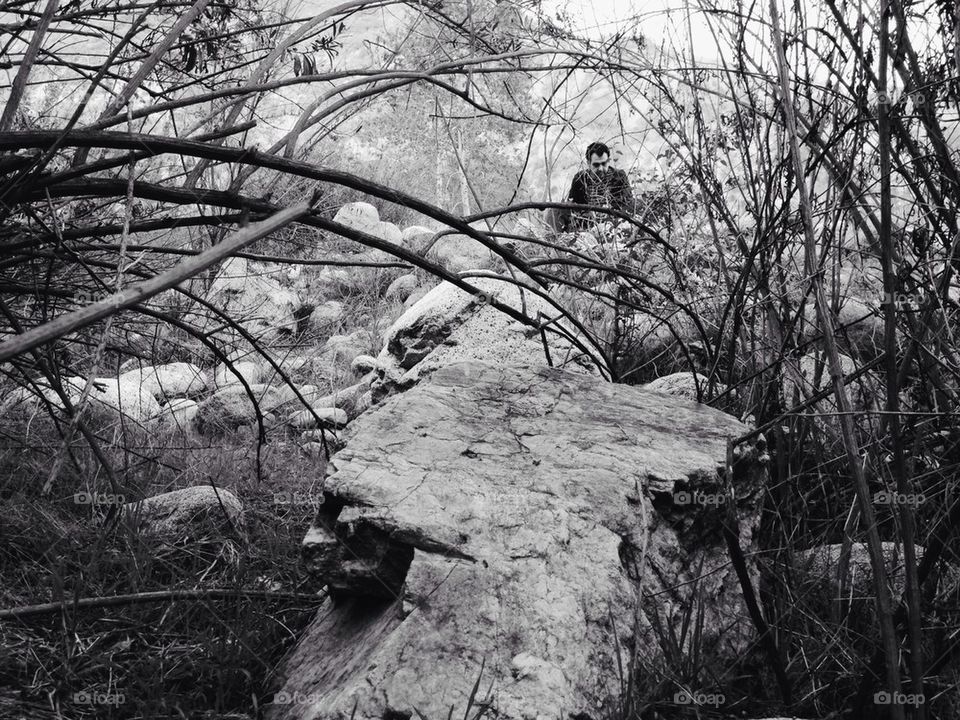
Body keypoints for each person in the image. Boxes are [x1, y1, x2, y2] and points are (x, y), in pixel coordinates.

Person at [555, 141, 636, 233]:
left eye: (604, 163)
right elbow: (573, 206)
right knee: (555, 211)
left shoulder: (619, 176)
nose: (601, 169)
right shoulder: (580, 178)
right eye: (596, 165)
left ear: (609, 160)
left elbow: (629, 206)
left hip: (613, 225)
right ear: (588, 163)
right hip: (586, 225)